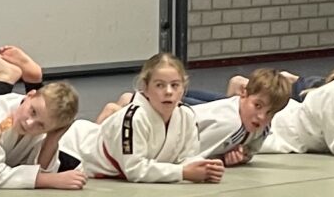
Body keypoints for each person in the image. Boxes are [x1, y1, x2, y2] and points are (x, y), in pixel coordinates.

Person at [58, 54, 223, 183]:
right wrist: (183, 173)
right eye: (159, 85)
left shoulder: (186, 115)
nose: (168, 92)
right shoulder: (134, 117)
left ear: (183, 87)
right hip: (73, 149)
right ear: (145, 87)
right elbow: (134, 169)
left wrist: (206, 167)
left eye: (175, 85)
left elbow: (187, 157)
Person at [0, 81, 85, 191]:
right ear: (30, 95)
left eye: (41, 125)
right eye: (33, 111)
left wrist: (52, 139)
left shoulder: (42, 128)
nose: (29, 123)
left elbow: (40, 169)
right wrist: (49, 180)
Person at [184, 70, 293, 168]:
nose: (262, 116)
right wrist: (221, 159)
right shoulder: (230, 123)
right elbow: (187, 158)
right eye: (257, 105)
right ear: (243, 93)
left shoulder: (264, 127)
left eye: (270, 113)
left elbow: (249, 153)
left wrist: (240, 156)